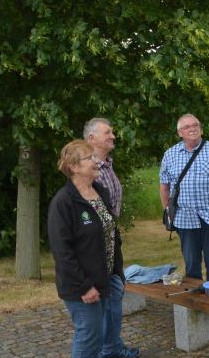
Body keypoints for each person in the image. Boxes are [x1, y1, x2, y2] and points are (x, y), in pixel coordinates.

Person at [47, 140, 138, 358]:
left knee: (100, 337)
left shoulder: (100, 192)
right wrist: (84, 286)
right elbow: (62, 252)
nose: (97, 161)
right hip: (81, 287)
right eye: (90, 158)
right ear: (74, 167)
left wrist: (117, 273)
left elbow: (111, 234)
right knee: (89, 336)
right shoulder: (64, 202)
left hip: (106, 279)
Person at [83, 118, 140, 358]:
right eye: (108, 133)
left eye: (112, 132)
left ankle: (112, 347)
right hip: (96, 242)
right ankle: (106, 350)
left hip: (111, 236)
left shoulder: (107, 165)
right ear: (91, 139)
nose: (113, 136)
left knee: (116, 290)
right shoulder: (87, 169)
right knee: (105, 296)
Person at [159, 113, 209, 280]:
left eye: (195, 125)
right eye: (187, 127)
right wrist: (168, 214)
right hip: (184, 219)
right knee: (191, 268)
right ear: (180, 133)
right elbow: (164, 187)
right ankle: (195, 304)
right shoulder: (170, 155)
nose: (192, 128)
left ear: (200, 128)